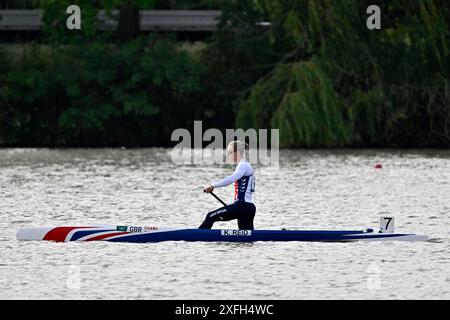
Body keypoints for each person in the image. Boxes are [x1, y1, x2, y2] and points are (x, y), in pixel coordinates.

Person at [199, 141, 256, 230]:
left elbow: (231, 179)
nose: (228, 155)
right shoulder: (244, 165)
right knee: (246, 239)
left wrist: (213, 186)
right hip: (247, 208)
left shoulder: (243, 165)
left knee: (210, 216)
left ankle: (196, 237)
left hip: (242, 206)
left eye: (230, 152)